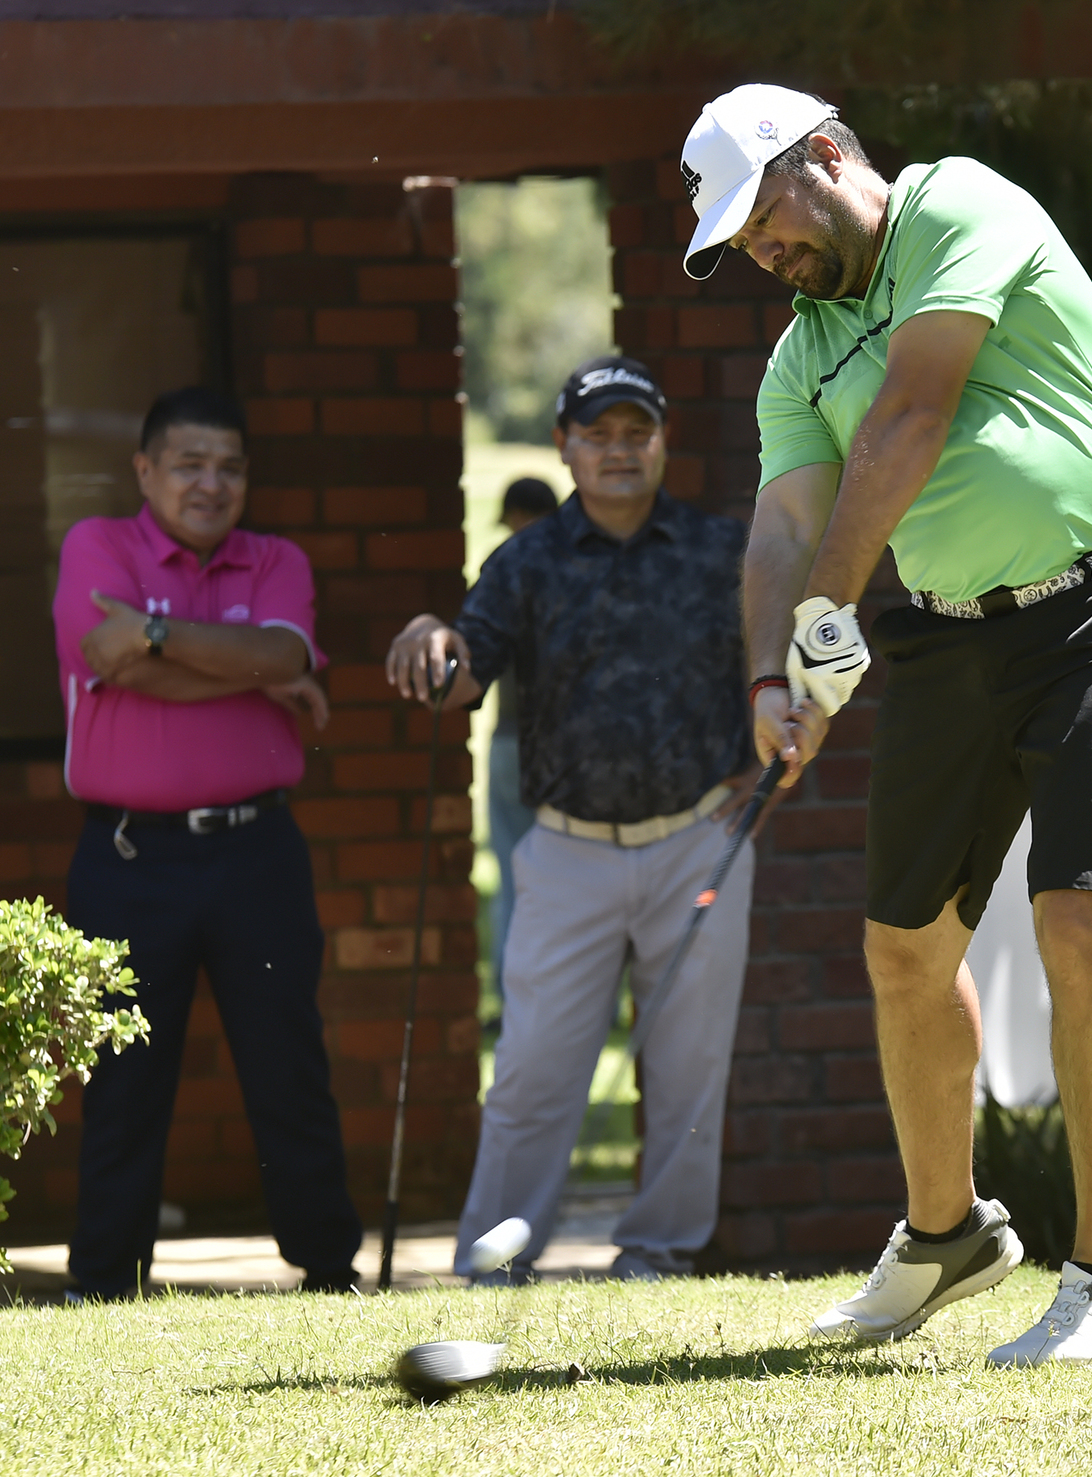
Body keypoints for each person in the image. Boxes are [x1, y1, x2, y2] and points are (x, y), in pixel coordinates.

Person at [681, 84, 1092, 1367]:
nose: (763, 252)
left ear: (831, 155)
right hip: (953, 630)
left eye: (767, 218)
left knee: (1080, 922)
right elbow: (785, 530)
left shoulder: (959, 203)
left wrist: (828, 617)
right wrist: (769, 676)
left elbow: (916, 414)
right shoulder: (800, 354)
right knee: (904, 947)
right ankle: (947, 1232)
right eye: (740, 241)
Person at [386, 356, 765, 1283]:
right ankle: (494, 1261)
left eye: (636, 432)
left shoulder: (724, 552)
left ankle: (660, 1254)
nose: (618, 450)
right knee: (530, 1074)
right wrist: (432, 640)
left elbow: (783, 658)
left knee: (687, 1074)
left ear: (663, 440)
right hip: (565, 848)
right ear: (564, 447)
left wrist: (756, 765)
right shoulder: (525, 561)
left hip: (698, 839)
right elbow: (466, 667)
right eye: (597, 434)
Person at [54, 386, 359, 1300]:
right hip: (127, 858)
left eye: (229, 466)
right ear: (144, 471)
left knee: (286, 1063)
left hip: (255, 852)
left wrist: (153, 639)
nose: (210, 483)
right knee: (122, 1077)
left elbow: (283, 658)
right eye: (189, 464)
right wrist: (250, 673)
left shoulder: (276, 559)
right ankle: (103, 1285)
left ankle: (326, 1270)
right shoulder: (94, 546)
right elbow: (113, 662)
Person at [485, 476, 560, 997]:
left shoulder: (503, 565)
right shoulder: (578, 561)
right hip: (571, 748)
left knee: (514, 879)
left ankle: (515, 996)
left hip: (513, 739)